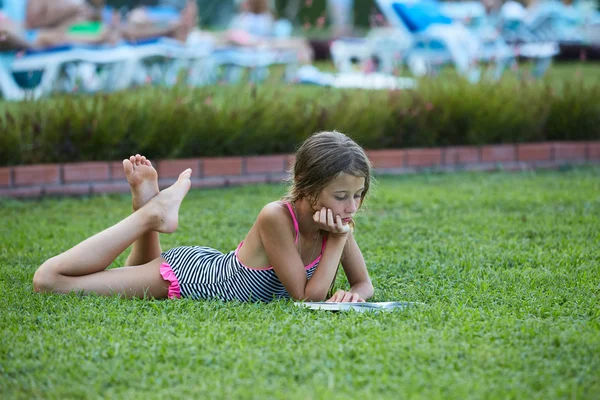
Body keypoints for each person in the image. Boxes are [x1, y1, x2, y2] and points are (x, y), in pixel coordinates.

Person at [32, 131, 374, 303]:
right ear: (306, 186)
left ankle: (148, 209)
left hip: (212, 263)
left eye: (358, 195)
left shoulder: (338, 222)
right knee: (50, 281)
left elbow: (363, 284)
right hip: (192, 278)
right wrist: (338, 241)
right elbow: (305, 297)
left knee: (135, 265)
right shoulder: (277, 217)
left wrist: (354, 296)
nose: (351, 207)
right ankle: (150, 214)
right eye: (341, 196)